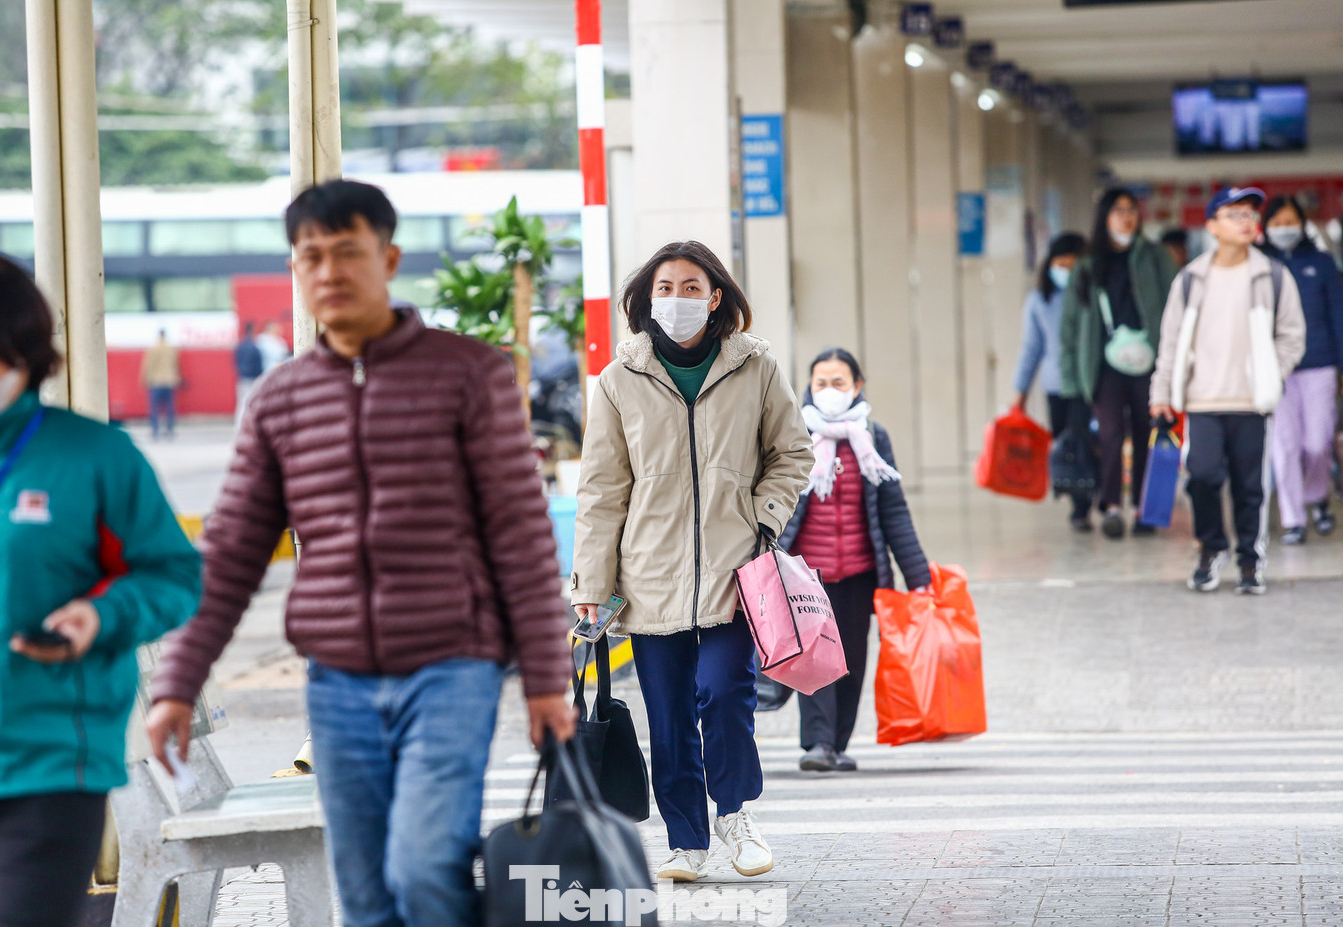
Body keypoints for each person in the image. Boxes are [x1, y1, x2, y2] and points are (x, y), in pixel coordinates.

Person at [145, 179, 576, 927]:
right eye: (310, 256)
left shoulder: (467, 373)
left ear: (389, 258)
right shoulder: (280, 400)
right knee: (368, 895)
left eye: (347, 252)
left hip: (452, 667)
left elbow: (520, 534)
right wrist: (178, 683)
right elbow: (232, 552)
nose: (329, 271)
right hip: (338, 684)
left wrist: (546, 678)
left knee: (424, 868)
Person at [0, 253, 201, 927]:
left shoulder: (95, 457)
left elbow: (174, 574)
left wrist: (102, 615)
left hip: (49, 768)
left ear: (24, 352)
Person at [572, 240, 812, 883]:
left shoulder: (755, 367)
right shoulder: (619, 380)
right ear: (647, 299)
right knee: (669, 713)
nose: (676, 299)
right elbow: (601, 490)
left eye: (690, 287)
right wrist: (591, 584)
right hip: (649, 575)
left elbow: (792, 453)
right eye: (664, 288)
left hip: (736, 570)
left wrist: (763, 518)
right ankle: (686, 842)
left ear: (715, 297)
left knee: (724, 692)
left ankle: (734, 813)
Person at [777, 348, 930, 773]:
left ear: (857, 386)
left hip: (860, 574)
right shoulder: (792, 435)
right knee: (814, 659)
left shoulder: (873, 438)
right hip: (806, 575)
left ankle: (838, 743)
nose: (829, 390)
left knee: (851, 661)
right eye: (821, 383)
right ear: (809, 387)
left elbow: (893, 510)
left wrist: (918, 576)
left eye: (838, 383)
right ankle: (818, 743)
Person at [1150, 186, 1306, 594]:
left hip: (1251, 402)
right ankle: (1211, 548)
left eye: (1250, 214)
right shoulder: (1191, 280)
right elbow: (1170, 342)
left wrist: (1271, 374)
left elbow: (1292, 336)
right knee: (1201, 477)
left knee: (1249, 487)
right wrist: (1160, 393)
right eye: (1234, 214)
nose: (1245, 222)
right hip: (1202, 400)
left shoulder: (1272, 275)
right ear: (1212, 226)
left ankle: (1250, 561)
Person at [1062, 187, 1180, 539]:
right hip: (1104, 366)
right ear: (1104, 217)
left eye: (1131, 210)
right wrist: (1072, 382)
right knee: (1111, 433)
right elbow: (1070, 326)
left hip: (1150, 362)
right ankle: (1111, 505)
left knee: (1148, 431)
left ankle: (1145, 507)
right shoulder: (1087, 265)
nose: (1126, 217)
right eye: (1118, 211)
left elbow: (1175, 307)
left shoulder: (1155, 258)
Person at [1259, 194, 1343, 544]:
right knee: (1285, 445)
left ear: (1302, 223)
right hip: (1276, 368)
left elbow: (1338, 315)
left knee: (1318, 442)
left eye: (1290, 222)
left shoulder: (1321, 263)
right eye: (1277, 223)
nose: (1284, 229)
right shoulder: (1258, 265)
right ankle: (1293, 519)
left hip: (1319, 364)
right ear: (1265, 227)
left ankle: (1316, 495)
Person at [1014, 232, 1093, 531]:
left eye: (1073, 265)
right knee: (1064, 443)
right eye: (1061, 264)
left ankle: (1087, 501)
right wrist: (1020, 392)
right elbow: (1031, 348)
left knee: (1087, 441)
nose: (1066, 271)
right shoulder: (1039, 300)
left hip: (1088, 384)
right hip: (1056, 385)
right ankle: (1076, 499)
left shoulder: (1091, 296)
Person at [140, 328, 180, 440]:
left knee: (154, 408)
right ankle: (170, 429)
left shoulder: (153, 349)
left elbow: (148, 365)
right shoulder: (171, 349)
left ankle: (155, 430)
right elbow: (175, 365)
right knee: (170, 407)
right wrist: (176, 379)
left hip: (156, 381)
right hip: (168, 381)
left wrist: (144, 379)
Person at [233, 322, 264, 425]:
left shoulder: (240, 346)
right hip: (252, 378)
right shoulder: (254, 346)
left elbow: (235, 361)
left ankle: (239, 424)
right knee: (251, 402)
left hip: (242, 377)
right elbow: (258, 364)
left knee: (241, 403)